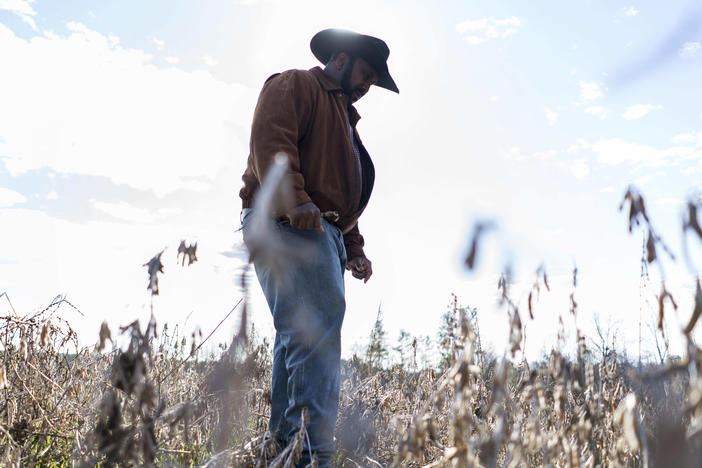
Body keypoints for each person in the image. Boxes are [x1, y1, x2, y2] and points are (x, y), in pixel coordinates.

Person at [239, 28, 398, 466]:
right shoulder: (297, 84)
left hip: (314, 227)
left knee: (298, 338)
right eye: (366, 74)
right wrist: (296, 201)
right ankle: (310, 457)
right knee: (315, 341)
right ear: (342, 60)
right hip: (288, 221)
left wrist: (354, 247)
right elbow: (270, 143)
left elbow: (340, 196)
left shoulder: (344, 119)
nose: (368, 86)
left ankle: (284, 450)